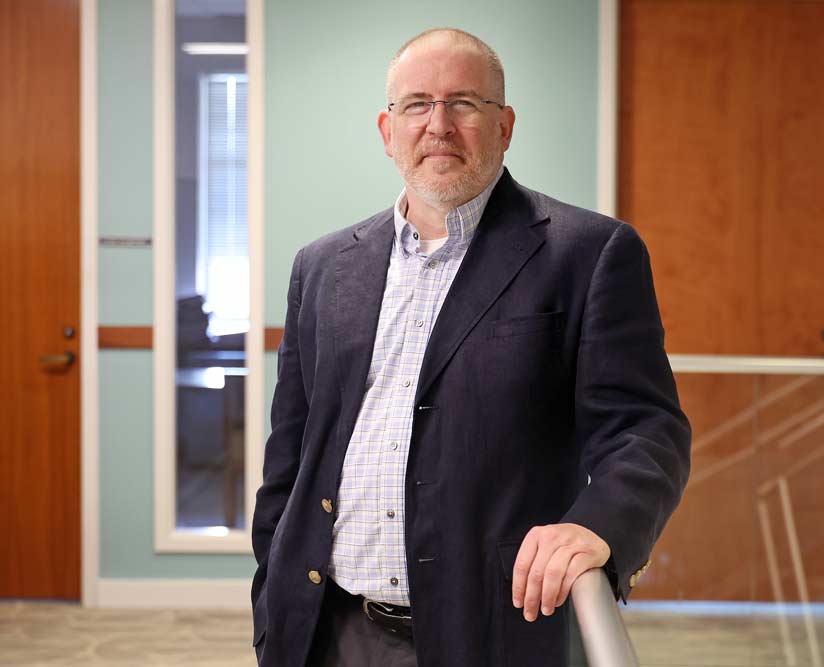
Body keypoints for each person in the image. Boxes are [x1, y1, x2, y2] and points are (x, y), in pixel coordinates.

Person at [250, 27, 691, 667]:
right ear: (387, 129)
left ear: (505, 125)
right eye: (417, 105)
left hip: (488, 633)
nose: (439, 125)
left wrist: (599, 523)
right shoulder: (322, 267)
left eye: (464, 103)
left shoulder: (588, 254)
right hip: (326, 628)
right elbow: (288, 458)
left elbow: (646, 429)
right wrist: (271, 601)